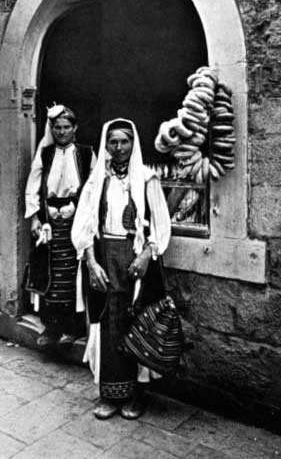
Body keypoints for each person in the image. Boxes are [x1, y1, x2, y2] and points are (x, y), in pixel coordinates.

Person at [72, 118, 171, 420]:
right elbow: (86, 226)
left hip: (137, 259)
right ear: (106, 145)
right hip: (104, 257)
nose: (119, 147)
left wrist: (146, 255)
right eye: (113, 142)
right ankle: (109, 394)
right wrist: (90, 263)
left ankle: (136, 396)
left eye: (124, 141)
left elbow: (161, 224)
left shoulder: (147, 178)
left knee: (137, 325)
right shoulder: (96, 180)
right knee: (107, 325)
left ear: (133, 143)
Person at [24, 104, 95, 347]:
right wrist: (35, 217)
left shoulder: (86, 154)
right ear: (51, 129)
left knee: (72, 276)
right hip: (49, 221)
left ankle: (72, 329)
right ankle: (51, 328)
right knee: (51, 274)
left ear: (75, 128)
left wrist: (76, 207)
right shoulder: (45, 154)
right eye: (57, 127)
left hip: (76, 219)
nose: (62, 132)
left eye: (66, 127)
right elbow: (33, 185)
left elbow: (93, 188)